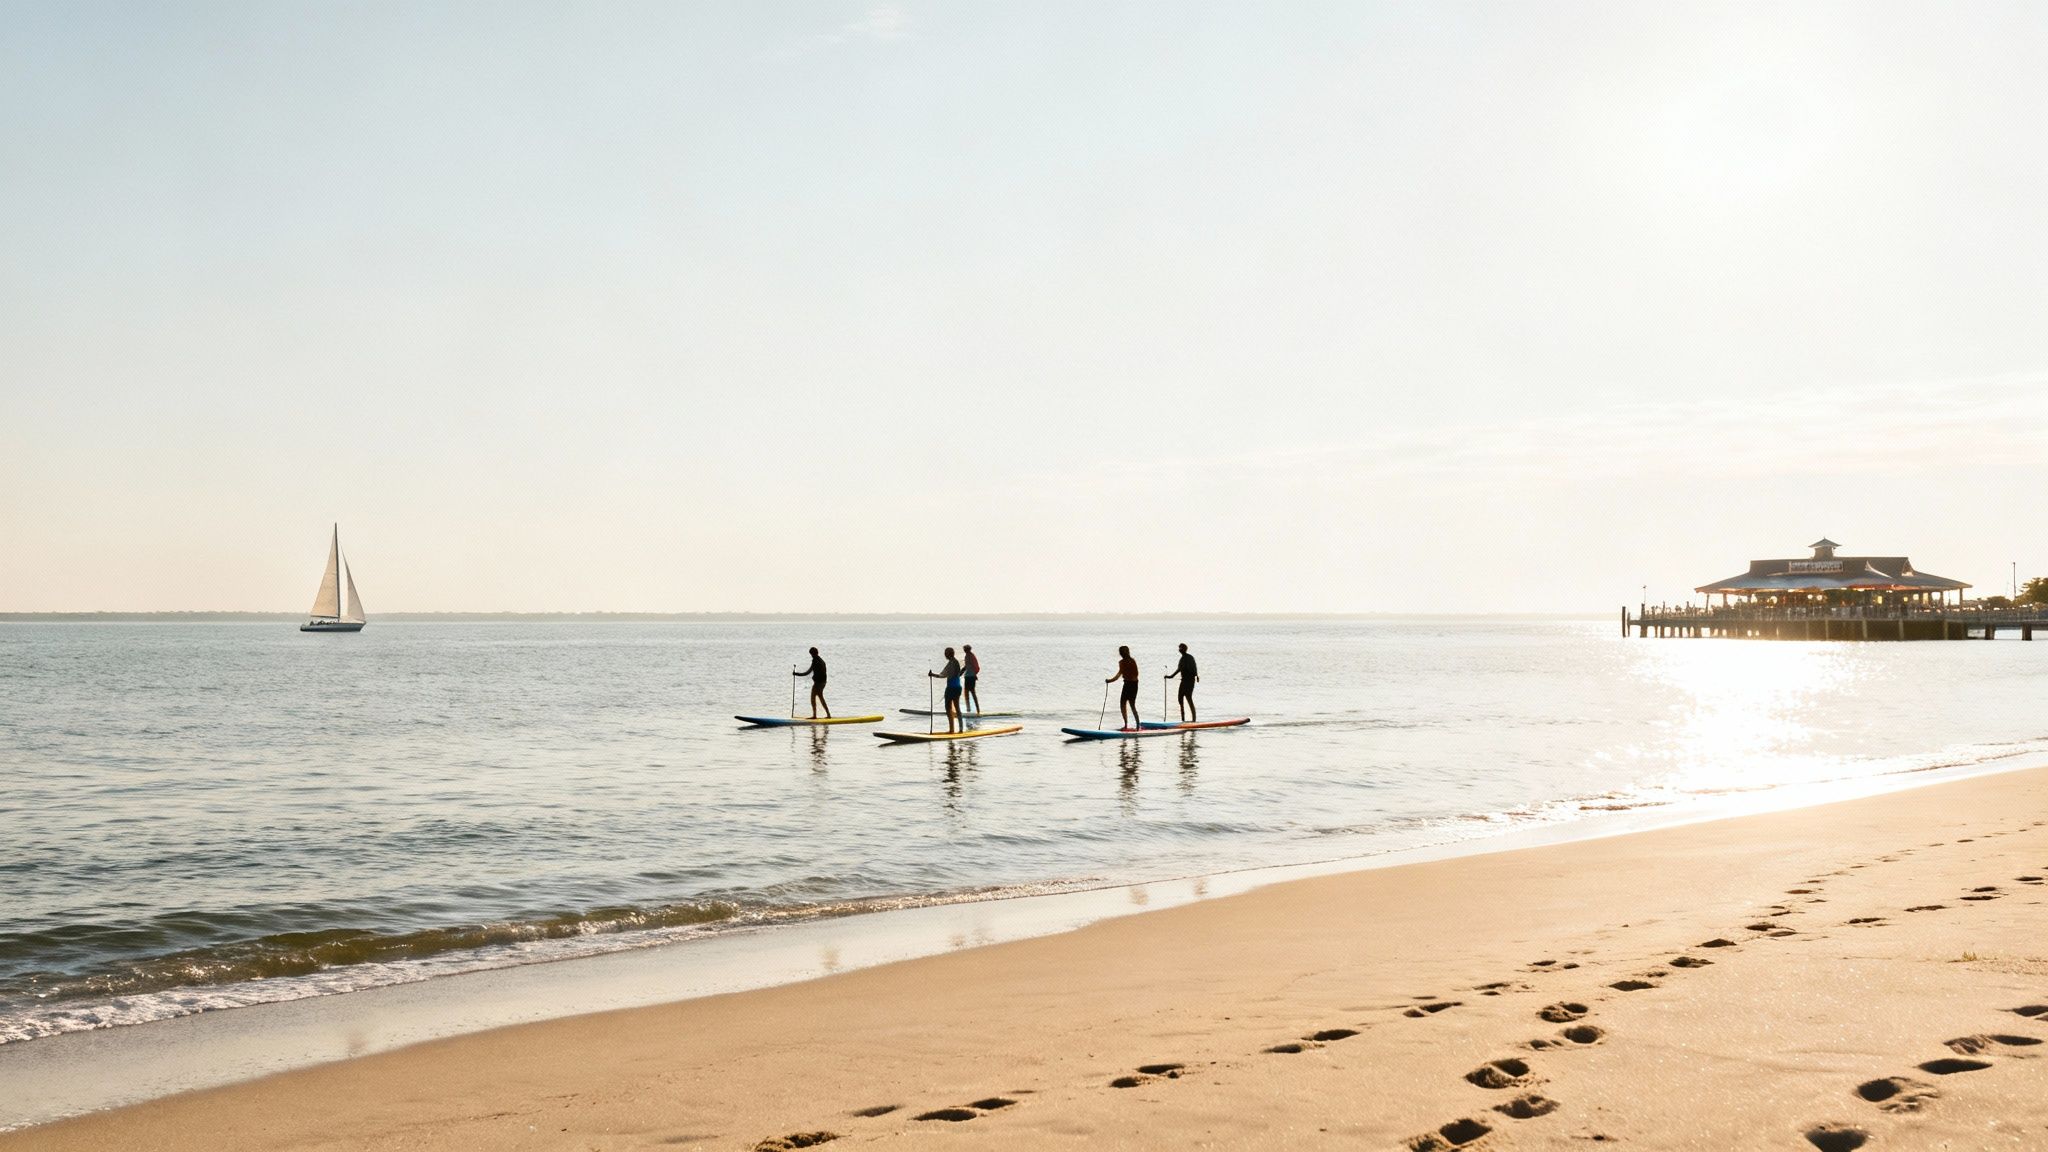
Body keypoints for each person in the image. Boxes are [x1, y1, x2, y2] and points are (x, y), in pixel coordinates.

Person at [929, 647, 965, 733]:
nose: (945, 655)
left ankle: (952, 730)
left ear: (949, 654)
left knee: (948, 708)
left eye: (946, 653)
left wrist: (932, 674)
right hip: (958, 687)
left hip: (951, 688)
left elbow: (943, 675)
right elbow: (957, 674)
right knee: (957, 707)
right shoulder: (956, 662)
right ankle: (960, 729)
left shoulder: (951, 663)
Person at [1105, 644, 1140, 729]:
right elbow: (1119, 674)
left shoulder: (1132, 661)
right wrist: (1110, 680)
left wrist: (1128, 675)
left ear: (1127, 652)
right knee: (1122, 704)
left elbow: (1136, 674)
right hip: (1127, 684)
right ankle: (1126, 725)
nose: (1121, 653)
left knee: (1131, 705)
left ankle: (1138, 725)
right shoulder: (1122, 662)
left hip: (1133, 684)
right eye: (1121, 652)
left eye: (1123, 652)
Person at [793, 647, 829, 719]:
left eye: (811, 654)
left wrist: (797, 674)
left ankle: (815, 716)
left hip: (818, 683)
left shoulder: (815, 661)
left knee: (813, 698)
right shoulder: (821, 660)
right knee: (821, 697)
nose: (811, 655)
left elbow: (808, 672)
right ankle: (828, 714)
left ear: (813, 654)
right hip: (823, 682)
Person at [1166, 642, 1199, 722]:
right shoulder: (1184, 658)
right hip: (1184, 681)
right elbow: (1180, 669)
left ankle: (1194, 720)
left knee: (1189, 698)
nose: (1179, 649)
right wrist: (1170, 676)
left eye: (1180, 648)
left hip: (1189, 681)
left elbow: (1180, 669)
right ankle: (1183, 719)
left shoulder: (1188, 658)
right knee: (1180, 698)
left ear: (1184, 649)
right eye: (1179, 648)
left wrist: (1171, 676)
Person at [962, 644, 982, 714]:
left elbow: (975, 666)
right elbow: (967, 666)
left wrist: (974, 674)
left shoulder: (969, 656)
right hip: (970, 676)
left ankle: (971, 709)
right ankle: (975, 709)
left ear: (967, 649)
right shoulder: (969, 655)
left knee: (969, 693)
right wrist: (961, 672)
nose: (964, 651)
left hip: (969, 677)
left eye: (965, 649)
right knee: (970, 693)